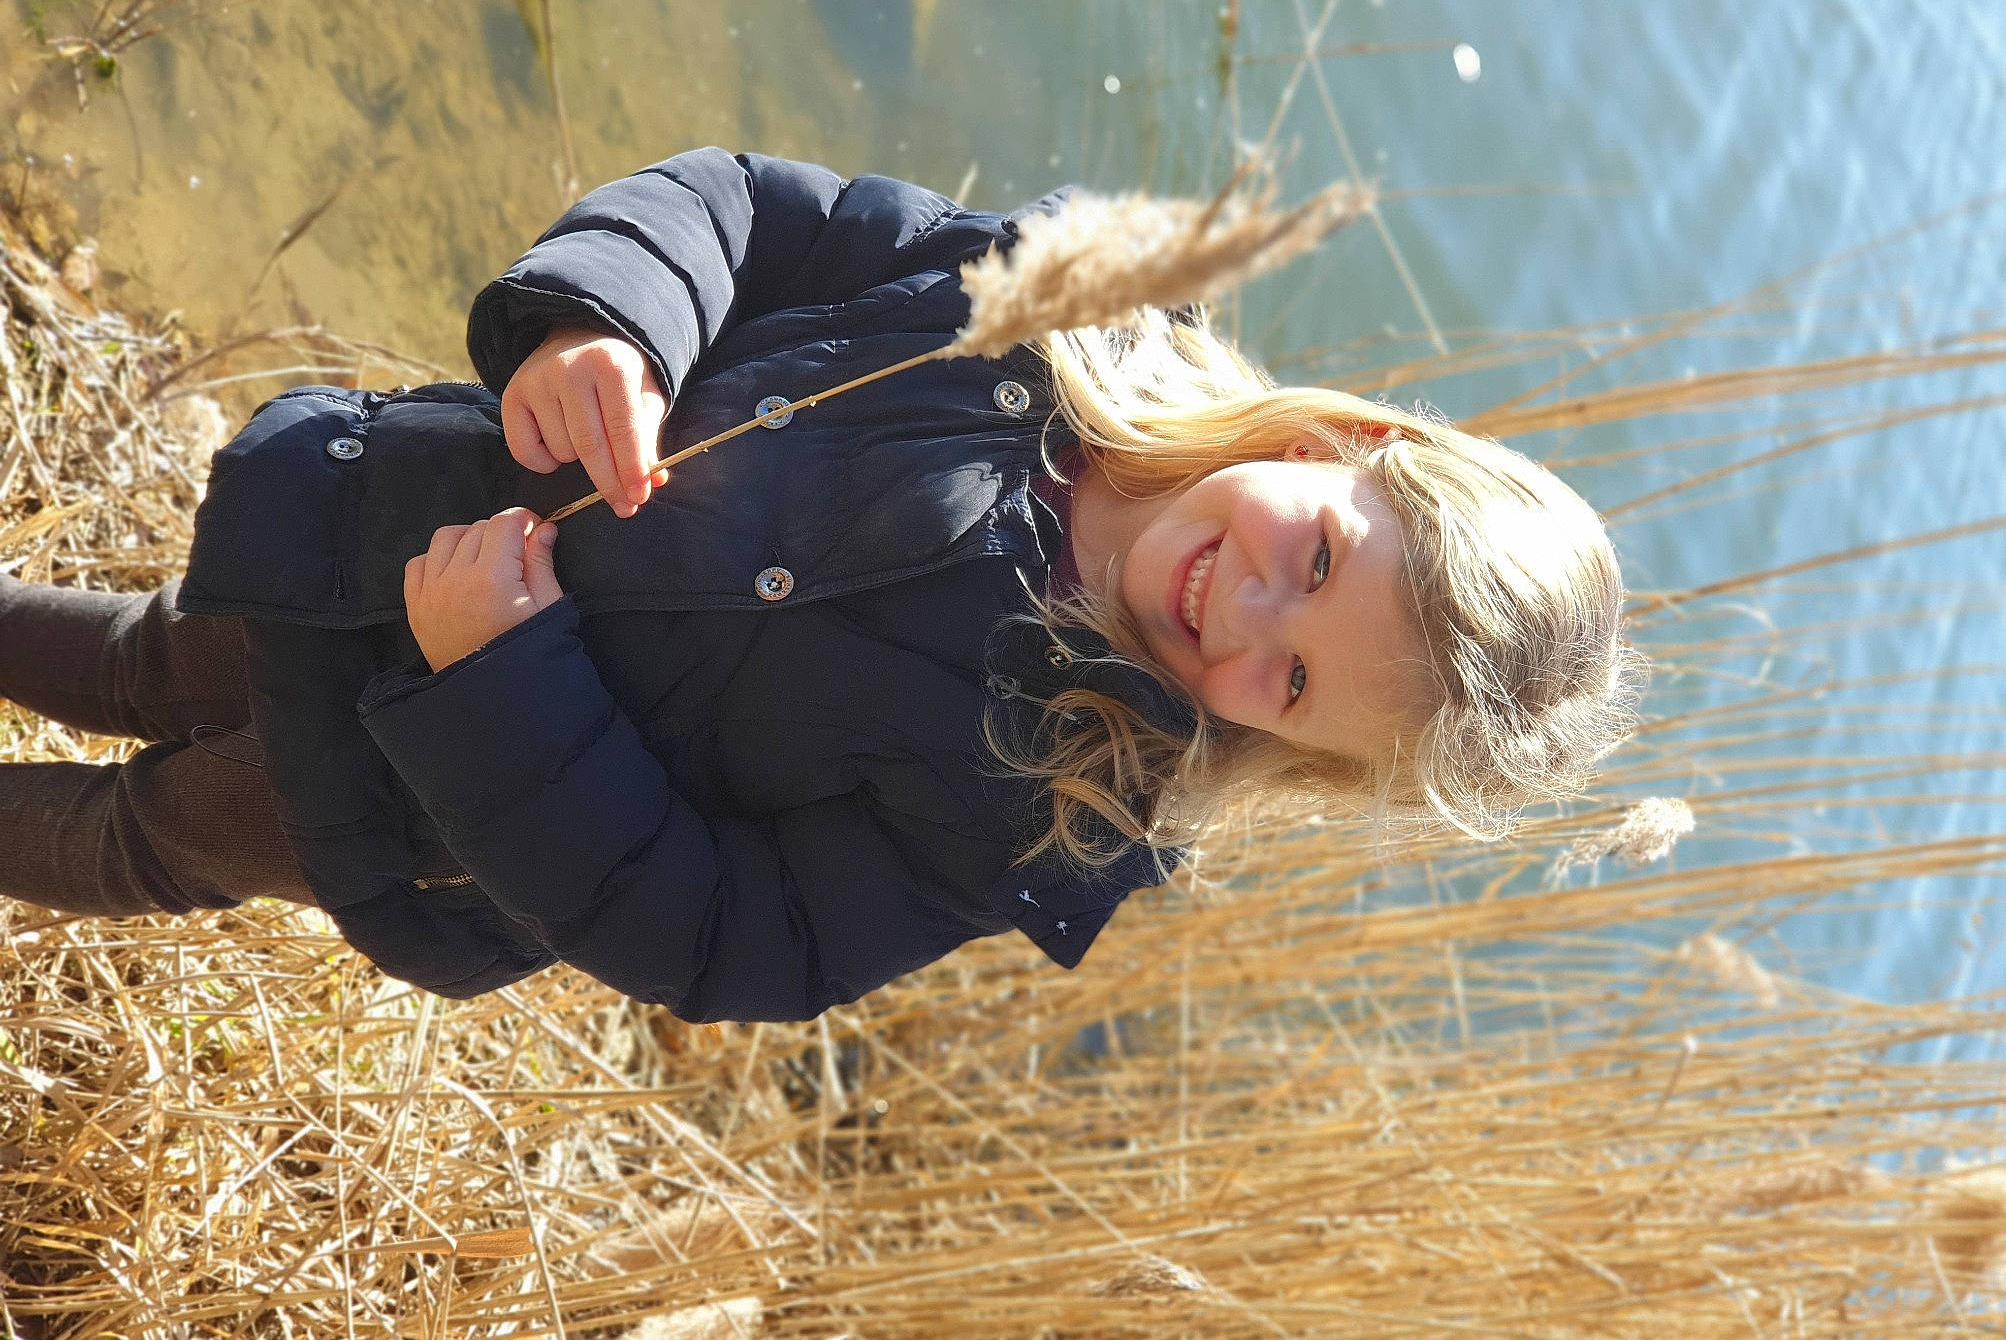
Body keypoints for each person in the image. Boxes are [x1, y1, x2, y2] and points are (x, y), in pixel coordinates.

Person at [0, 148, 1639, 1022]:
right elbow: (745, 215)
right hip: (384, 526)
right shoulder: (1057, 314)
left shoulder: (1057, 803)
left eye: (1292, 683)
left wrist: (502, 684)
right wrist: (611, 329)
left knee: (151, 833)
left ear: (1296, 751)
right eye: (1318, 556)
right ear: (1351, 442)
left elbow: (739, 941)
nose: (1248, 615)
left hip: (414, 792)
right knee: (148, 653)